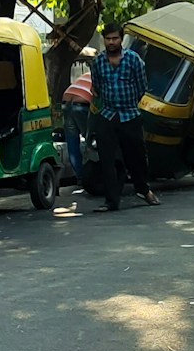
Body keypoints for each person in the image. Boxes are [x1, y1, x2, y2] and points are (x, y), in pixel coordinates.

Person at [88, 22, 158, 210]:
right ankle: (111, 201)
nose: (111, 42)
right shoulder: (98, 62)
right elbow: (97, 88)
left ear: (121, 39)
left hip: (130, 115)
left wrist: (129, 104)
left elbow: (142, 87)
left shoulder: (134, 60)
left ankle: (143, 189)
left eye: (115, 38)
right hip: (108, 115)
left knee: (137, 157)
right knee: (107, 159)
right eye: (108, 39)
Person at [60, 49, 96, 185]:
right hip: (81, 104)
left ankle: (80, 177)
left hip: (65, 102)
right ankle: (91, 175)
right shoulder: (101, 76)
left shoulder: (86, 75)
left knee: (72, 142)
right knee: (91, 140)